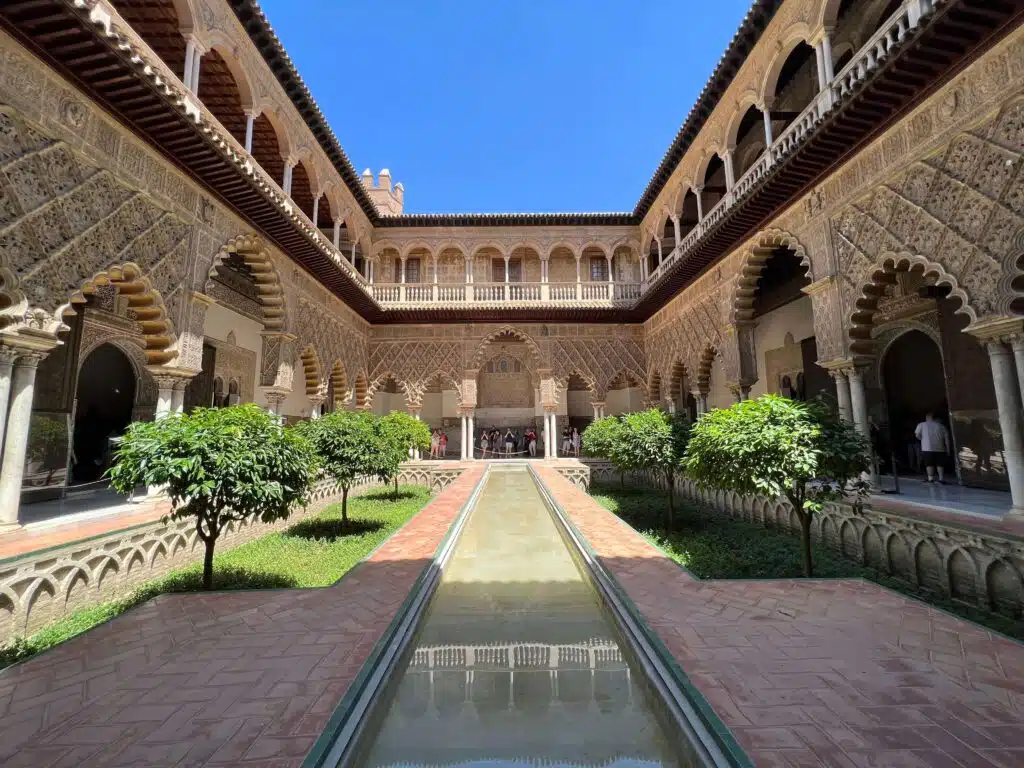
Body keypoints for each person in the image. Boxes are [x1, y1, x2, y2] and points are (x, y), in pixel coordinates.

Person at [914, 412, 951, 484]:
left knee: (929, 464)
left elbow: (917, 435)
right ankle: (941, 479)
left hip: (927, 448)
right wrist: (948, 450)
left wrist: (922, 439)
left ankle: (930, 479)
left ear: (927, 417)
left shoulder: (921, 424)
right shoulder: (942, 426)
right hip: (940, 448)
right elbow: (947, 439)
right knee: (940, 464)